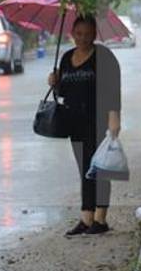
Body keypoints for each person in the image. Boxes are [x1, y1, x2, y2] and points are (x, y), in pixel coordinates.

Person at [48, 15, 122, 236]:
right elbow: (62, 92)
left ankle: (100, 218)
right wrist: (55, 82)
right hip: (74, 121)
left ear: (94, 34)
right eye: (79, 34)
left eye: (88, 34)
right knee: (84, 168)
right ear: (72, 33)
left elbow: (112, 88)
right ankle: (86, 218)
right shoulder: (66, 57)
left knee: (99, 167)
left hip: (98, 120)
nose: (83, 38)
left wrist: (114, 117)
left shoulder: (103, 57)